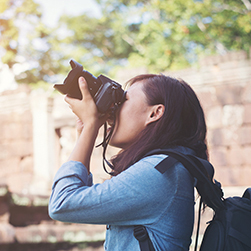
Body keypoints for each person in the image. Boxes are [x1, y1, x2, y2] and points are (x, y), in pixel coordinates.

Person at [49, 73, 208, 250]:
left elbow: (63, 203)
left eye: (123, 100)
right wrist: (86, 130)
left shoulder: (161, 172)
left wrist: (91, 126)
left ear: (154, 113)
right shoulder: (166, 167)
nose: (113, 110)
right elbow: (78, 203)